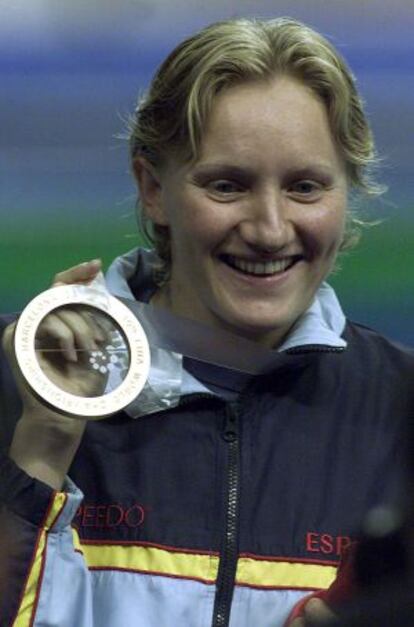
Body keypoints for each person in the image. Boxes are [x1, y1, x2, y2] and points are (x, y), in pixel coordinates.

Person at [1, 16, 413, 627]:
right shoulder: (16, 384)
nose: (270, 228)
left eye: (305, 186)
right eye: (227, 185)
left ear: (346, 191)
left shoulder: (402, 409)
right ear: (153, 189)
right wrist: (42, 445)